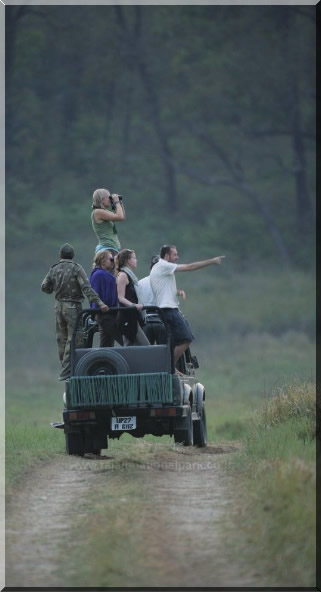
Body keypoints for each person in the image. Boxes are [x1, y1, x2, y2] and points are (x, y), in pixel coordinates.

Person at [41, 243, 108, 381]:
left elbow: (44, 287)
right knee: (74, 339)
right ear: (73, 256)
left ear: (60, 255)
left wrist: (55, 288)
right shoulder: (76, 268)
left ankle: (65, 368)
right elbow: (86, 288)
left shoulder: (54, 269)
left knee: (62, 338)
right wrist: (100, 303)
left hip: (58, 306)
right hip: (73, 307)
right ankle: (67, 371)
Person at [150, 245, 225, 364]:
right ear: (166, 256)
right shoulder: (163, 265)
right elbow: (190, 267)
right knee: (186, 338)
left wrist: (179, 292)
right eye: (175, 254)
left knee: (175, 341)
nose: (177, 257)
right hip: (168, 309)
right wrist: (212, 261)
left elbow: (164, 290)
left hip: (166, 309)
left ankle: (172, 368)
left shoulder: (160, 269)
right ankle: (170, 367)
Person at [116, 249, 150, 346]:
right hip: (126, 317)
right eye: (134, 258)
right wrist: (134, 305)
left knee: (132, 347)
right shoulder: (123, 275)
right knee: (145, 346)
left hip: (133, 316)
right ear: (127, 260)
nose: (136, 260)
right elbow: (120, 297)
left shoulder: (131, 276)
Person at [89, 250, 123, 347]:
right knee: (124, 340)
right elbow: (95, 294)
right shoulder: (99, 275)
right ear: (103, 261)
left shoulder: (100, 274)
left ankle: (103, 361)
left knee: (106, 343)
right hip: (105, 315)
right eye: (111, 259)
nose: (113, 262)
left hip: (106, 314)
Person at [138, 255, 169, 345]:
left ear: (150, 267)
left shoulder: (140, 283)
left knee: (146, 353)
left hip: (145, 322)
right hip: (161, 322)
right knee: (164, 352)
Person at [91, 188, 126, 254]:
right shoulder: (98, 212)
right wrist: (116, 202)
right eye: (109, 197)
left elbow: (122, 216)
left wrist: (120, 203)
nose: (110, 199)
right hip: (107, 249)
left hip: (111, 248)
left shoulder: (103, 212)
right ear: (102, 199)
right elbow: (120, 216)